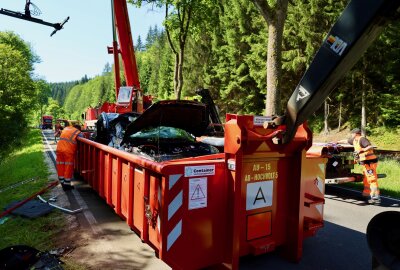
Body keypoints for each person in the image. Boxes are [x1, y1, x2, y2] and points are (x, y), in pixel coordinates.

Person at [347, 128, 380, 204]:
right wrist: (337, 142)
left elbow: (370, 147)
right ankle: (366, 195)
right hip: (365, 163)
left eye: (352, 134)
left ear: (356, 134)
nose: (351, 135)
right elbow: (346, 141)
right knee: (366, 178)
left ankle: (375, 198)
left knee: (371, 179)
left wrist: (361, 150)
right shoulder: (355, 140)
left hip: (370, 163)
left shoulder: (362, 139)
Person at [56, 124, 83, 190]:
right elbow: (82, 139)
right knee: (68, 167)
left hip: (59, 149)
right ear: (78, 128)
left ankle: (62, 182)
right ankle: (66, 185)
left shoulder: (66, 128)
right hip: (68, 151)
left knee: (61, 166)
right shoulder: (77, 132)